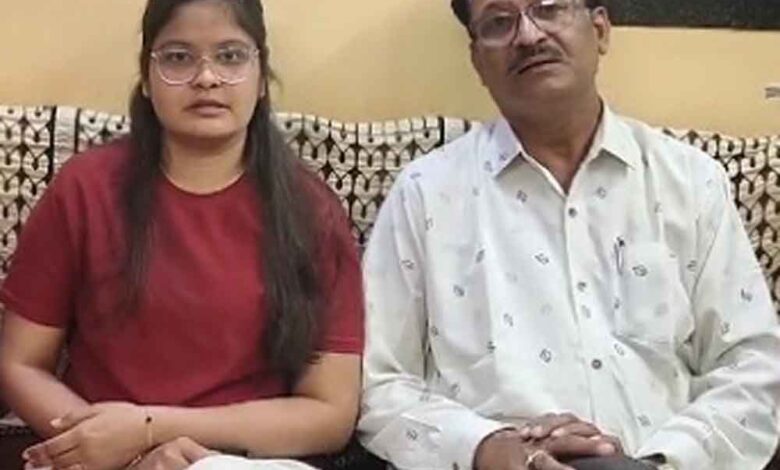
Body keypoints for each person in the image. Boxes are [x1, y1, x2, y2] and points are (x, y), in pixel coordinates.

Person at [358, 0, 780, 469]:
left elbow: (753, 366)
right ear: (477, 61)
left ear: (600, 30)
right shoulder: (425, 194)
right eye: (499, 22)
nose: (528, 35)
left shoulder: (690, 182)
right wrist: (485, 449)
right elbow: (378, 382)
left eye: (549, 8)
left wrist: (661, 462)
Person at [0, 1, 364, 469]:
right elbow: (20, 363)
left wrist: (153, 430)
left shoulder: (310, 210)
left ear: (261, 77)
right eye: (178, 57)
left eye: (230, 56)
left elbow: (330, 412)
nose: (206, 78)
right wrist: (110, 449)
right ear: (146, 77)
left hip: (242, 462)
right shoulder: (84, 190)